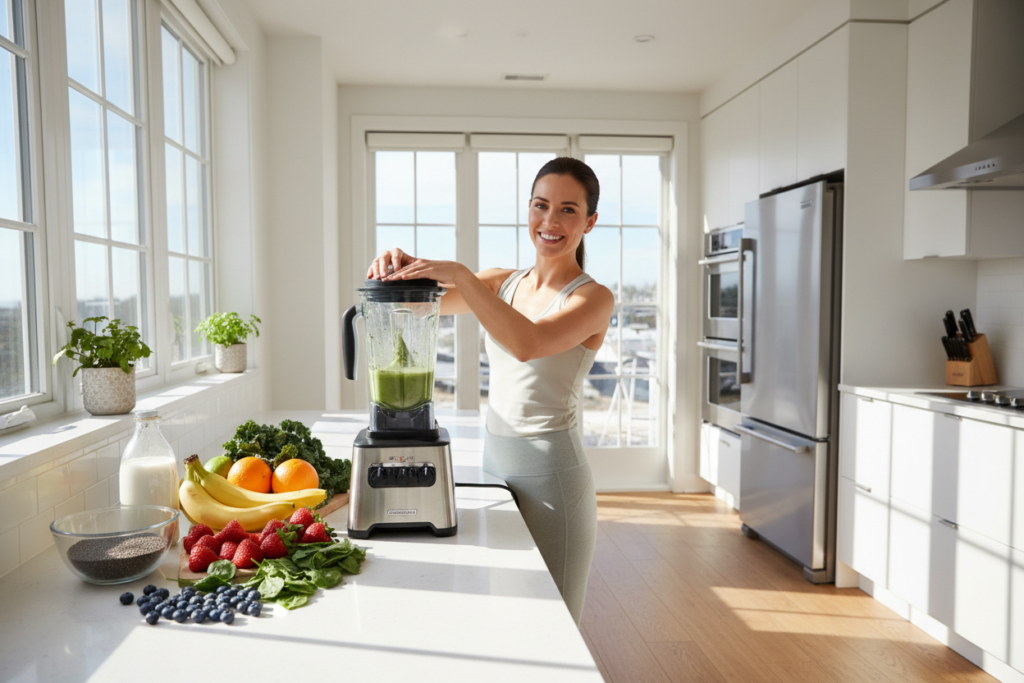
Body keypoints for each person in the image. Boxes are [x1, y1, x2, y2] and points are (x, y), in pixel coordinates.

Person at [366, 157, 614, 625]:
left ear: (590, 221)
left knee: (551, 626)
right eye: (541, 206)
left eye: (568, 210)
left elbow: (528, 344)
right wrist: (394, 268)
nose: (550, 221)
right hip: (494, 462)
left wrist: (460, 273)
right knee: (506, 611)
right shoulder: (502, 282)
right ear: (528, 210)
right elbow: (419, 308)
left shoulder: (593, 298)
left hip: (553, 475)